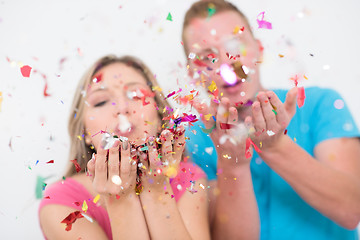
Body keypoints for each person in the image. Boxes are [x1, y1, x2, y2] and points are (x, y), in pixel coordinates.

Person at [181, 1, 360, 239]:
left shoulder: (319, 104)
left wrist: (276, 147)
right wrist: (232, 164)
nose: (227, 64)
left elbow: (352, 210)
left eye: (235, 45)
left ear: (259, 50)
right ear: (193, 72)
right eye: (208, 57)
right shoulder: (191, 142)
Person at [38, 55, 211, 240]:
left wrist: (157, 191)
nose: (122, 107)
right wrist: (120, 200)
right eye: (101, 101)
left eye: (137, 95)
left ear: (160, 115)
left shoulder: (188, 179)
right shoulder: (61, 201)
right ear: (85, 132)